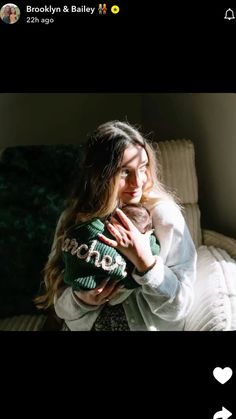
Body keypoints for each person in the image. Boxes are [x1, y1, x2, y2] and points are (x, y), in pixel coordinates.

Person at [35, 120, 197, 331]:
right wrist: (82, 299)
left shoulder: (164, 218)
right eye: (124, 172)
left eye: (142, 167)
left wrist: (145, 262)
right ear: (100, 176)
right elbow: (60, 305)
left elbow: (180, 307)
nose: (137, 182)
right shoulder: (73, 220)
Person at [62, 203, 160, 292]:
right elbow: (155, 250)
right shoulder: (147, 244)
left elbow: (82, 230)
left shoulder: (97, 229)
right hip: (102, 287)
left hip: (78, 279)